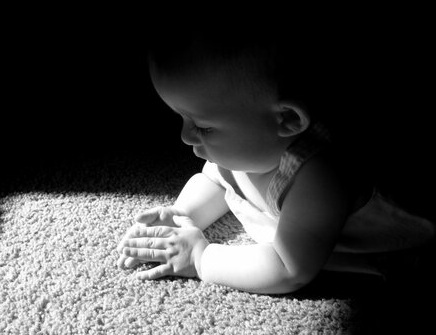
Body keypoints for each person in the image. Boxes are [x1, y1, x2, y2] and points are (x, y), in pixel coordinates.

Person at [116, 23, 435, 294]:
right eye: (182, 118)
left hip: (393, 248)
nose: (185, 136)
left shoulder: (320, 176)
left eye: (203, 126)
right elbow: (214, 180)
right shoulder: (249, 144)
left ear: (286, 119)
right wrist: (184, 215)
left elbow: (287, 267)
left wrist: (200, 257)